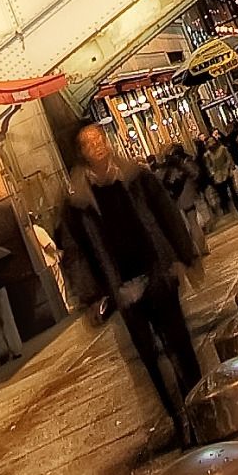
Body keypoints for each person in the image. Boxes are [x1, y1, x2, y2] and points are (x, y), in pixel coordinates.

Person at [60, 116, 205, 450]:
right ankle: (179, 417)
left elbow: (167, 214)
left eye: (99, 139)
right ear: (81, 152)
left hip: (158, 273)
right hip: (124, 289)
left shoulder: (136, 176)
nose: (97, 146)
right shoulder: (77, 201)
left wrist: (186, 256)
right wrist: (91, 297)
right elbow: (75, 252)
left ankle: (199, 400)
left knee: (180, 345)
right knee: (152, 360)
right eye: (89, 143)